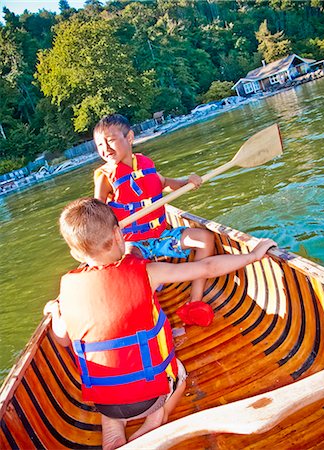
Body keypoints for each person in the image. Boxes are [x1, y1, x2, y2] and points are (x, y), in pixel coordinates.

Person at [44, 197, 276, 449]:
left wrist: (56, 311)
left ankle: (113, 426)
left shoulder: (67, 287)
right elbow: (207, 267)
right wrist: (253, 255)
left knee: (111, 396)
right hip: (148, 399)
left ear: (76, 253)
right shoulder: (148, 271)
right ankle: (156, 419)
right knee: (179, 373)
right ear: (119, 235)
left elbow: (62, 339)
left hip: (105, 401)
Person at [93, 114, 215, 322]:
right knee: (132, 267)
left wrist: (188, 181)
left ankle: (194, 302)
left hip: (162, 235)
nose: (106, 148)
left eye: (111, 140)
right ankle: (147, 316)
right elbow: (96, 212)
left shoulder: (145, 163)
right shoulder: (106, 177)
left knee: (205, 239)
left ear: (129, 137)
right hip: (134, 243)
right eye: (99, 144)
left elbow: (165, 182)